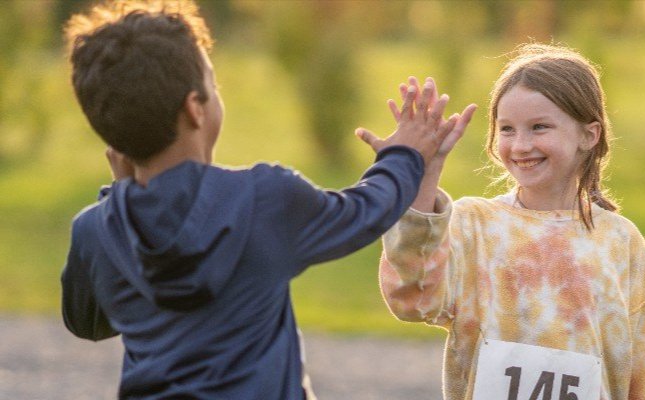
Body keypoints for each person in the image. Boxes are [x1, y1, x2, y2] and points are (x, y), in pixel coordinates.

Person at [60, 1, 476, 399]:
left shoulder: (95, 229)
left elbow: (88, 322)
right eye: (212, 83)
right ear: (195, 110)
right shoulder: (263, 198)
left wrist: (120, 196)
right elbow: (364, 212)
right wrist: (404, 155)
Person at [366, 44, 645, 400]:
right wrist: (426, 173)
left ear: (589, 134)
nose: (520, 145)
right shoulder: (475, 225)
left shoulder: (619, 239)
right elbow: (412, 298)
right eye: (507, 129)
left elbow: (642, 370)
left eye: (539, 127)